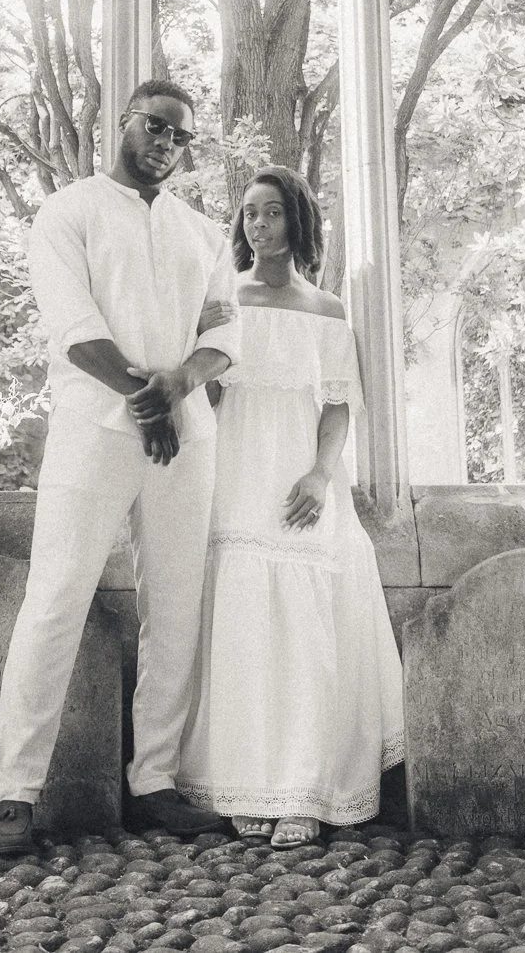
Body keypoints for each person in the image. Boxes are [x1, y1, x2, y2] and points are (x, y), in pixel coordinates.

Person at [0, 80, 241, 854]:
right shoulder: (71, 211)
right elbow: (72, 326)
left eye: (181, 136)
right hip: (94, 431)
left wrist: (182, 385)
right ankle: (13, 792)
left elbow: (226, 332)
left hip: (184, 439)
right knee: (56, 597)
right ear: (122, 123)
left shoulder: (204, 232)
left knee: (176, 607)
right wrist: (144, 397)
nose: (166, 142)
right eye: (156, 126)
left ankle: (155, 779)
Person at [176, 165, 405, 846]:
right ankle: (245, 780)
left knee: (308, 634)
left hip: (301, 483)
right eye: (249, 213)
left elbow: (337, 407)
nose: (258, 225)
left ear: (296, 221)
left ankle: (305, 792)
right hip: (237, 474)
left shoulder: (328, 310)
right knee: (243, 627)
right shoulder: (225, 301)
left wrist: (318, 475)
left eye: (271, 212)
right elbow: (207, 396)